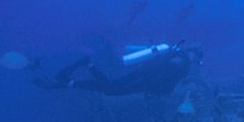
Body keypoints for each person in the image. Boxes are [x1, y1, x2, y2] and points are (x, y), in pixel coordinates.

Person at [35, 42, 202, 97]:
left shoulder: (179, 57)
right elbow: (168, 75)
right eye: (197, 60)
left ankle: (69, 82)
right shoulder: (182, 62)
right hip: (144, 79)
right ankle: (87, 65)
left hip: (143, 77)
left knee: (111, 88)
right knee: (112, 89)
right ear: (194, 56)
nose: (195, 63)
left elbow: (166, 77)